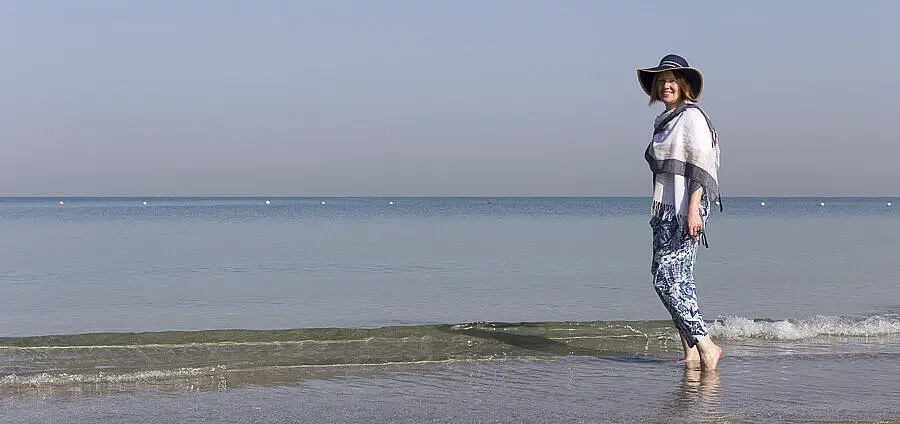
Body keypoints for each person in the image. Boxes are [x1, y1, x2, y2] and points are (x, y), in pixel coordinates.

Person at [637, 54, 723, 370]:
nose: (665, 86)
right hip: (666, 210)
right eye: (661, 82)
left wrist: (692, 211)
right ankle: (690, 351)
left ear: (683, 84)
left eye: (671, 80)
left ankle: (707, 346)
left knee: (665, 279)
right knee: (680, 280)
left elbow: (701, 163)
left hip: (687, 208)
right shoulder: (665, 119)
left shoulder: (691, 118)